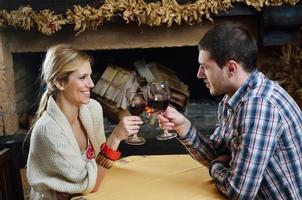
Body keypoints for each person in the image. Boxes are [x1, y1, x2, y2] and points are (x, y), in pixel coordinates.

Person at [158, 22, 302, 199]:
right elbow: (218, 154)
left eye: (205, 67)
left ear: (231, 68)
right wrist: (183, 126)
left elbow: (239, 192)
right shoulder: (233, 97)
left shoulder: (258, 106)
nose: (199, 74)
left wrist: (215, 168)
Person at [26, 44, 143, 199]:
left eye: (90, 76)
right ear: (60, 83)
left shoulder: (92, 109)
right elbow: (90, 184)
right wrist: (115, 138)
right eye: (82, 78)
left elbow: (98, 166)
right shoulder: (48, 130)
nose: (91, 84)